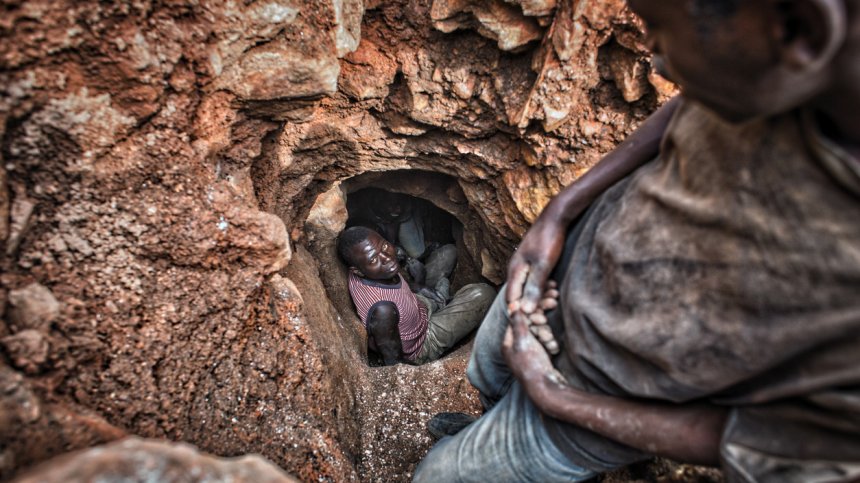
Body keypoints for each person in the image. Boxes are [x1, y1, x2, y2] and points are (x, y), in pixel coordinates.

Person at [414, 0, 860, 481]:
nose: (652, 52)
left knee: (438, 476)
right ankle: (491, 421)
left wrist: (554, 396)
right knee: (487, 376)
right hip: (545, 285)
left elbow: (768, 441)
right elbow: (685, 106)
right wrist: (555, 218)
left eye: (659, 28)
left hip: (584, 404)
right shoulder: (757, 71)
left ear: (801, 29)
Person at [338, 226, 496, 365]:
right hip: (423, 341)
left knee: (449, 252)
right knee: (484, 293)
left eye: (385, 246)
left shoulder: (371, 270)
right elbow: (395, 361)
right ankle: (443, 297)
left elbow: (396, 287)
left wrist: (418, 285)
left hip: (415, 305)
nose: (387, 258)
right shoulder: (383, 310)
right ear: (357, 271)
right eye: (373, 259)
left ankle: (440, 297)